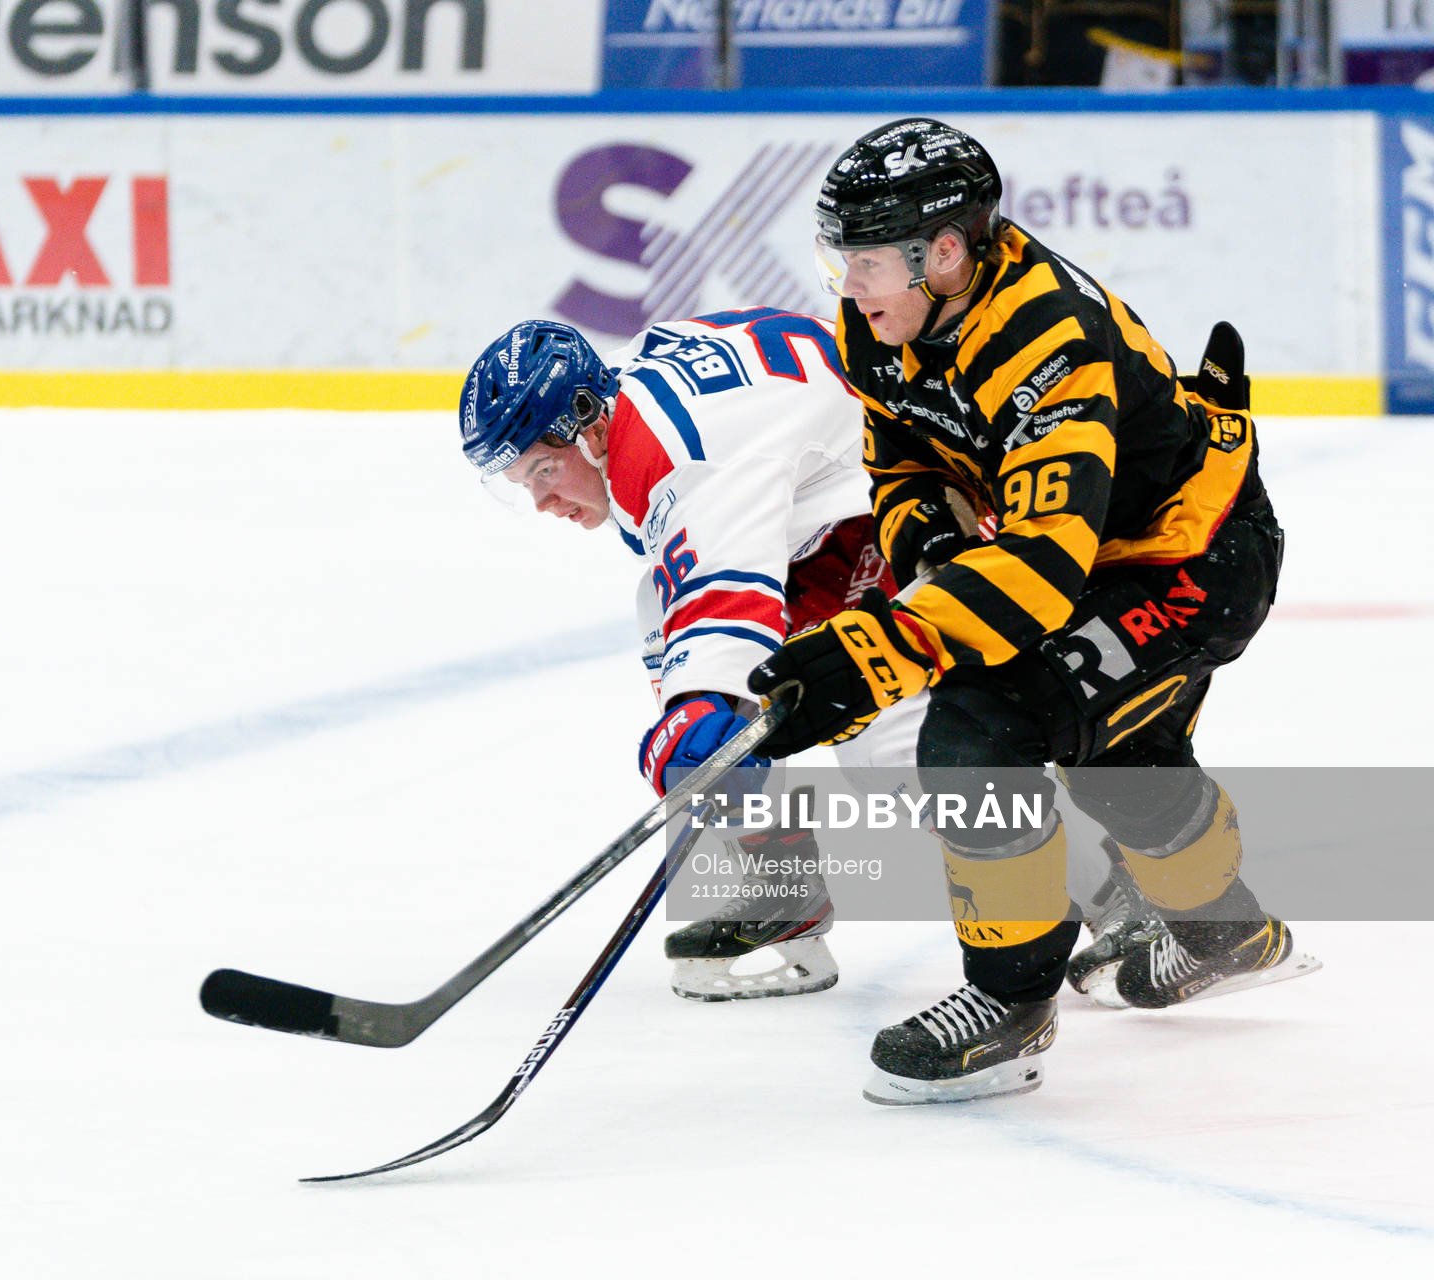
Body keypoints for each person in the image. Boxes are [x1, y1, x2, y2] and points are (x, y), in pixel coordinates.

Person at [744, 118, 1317, 1105]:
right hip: (1111, 551)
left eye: (869, 260)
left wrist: (887, 646)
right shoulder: (887, 318)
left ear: (949, 252)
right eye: (843, 258)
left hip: (1194, 560)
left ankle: (1008, 1001)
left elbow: (1044, 565)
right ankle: (1223, 929)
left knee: (983, 725)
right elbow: (906, 452)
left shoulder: (1041, 337)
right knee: (1121, 761)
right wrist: (926, 537)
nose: (849, 283)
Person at [458, 309, 927, 1001]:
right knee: (663, 615)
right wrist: (705, 717)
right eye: (520, 480)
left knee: (886, 749)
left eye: (545, 471)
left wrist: (704, 704)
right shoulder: (609, 406)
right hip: (815, 506)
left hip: (900, 501)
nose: (542, 501)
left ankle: (1109, 893)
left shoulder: (683, 453)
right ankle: (783, 888)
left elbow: (728, 586)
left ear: (588, 424)